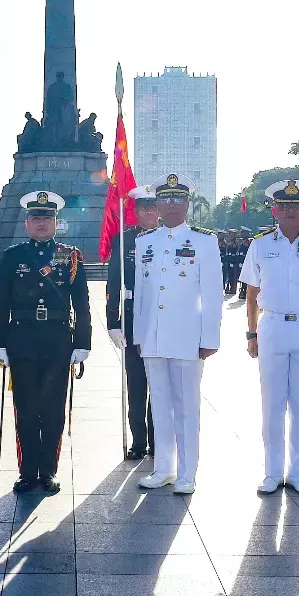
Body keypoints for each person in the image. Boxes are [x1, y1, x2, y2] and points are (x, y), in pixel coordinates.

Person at [240, 179, 299, 496]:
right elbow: (252, 293)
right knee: (272, 402)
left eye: (296, 206)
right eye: (284, 207)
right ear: (274, 211)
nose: (290, 211)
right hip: (272, 326)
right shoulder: (261, 244)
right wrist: (252, 333)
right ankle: (271, 472)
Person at [0, 191, 90, 494]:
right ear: (26, 223)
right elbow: (2, 303)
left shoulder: (68, 255)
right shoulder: (13, 256)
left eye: (47, 218)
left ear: (56, 222)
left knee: (52, 408)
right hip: (21, 337)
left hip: (57, 338)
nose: (41, 223)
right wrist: (0, 343)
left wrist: (82, 342)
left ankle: (47, 471)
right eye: (36, 217)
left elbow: (82, 303)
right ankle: (27, 471)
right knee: (24, 407)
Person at [133, 173, 223, 494]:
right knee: (159, 404)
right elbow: (142, 293)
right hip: (153, 337)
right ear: (156, 204)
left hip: (188, 337)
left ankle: (187, 473)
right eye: (166, 199)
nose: (172, 205)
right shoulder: (145, 241)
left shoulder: (204, 241)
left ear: (187, 204)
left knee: (186, 407)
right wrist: (139, 334)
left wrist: (209, 338)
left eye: (178, 199)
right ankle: (163, 468)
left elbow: (213, 294)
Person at [107, 185, 159, 460]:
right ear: (135, 211)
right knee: (136, 384)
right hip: (131, 315)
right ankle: (138, 441)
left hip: (162, 318)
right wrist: (112, 321)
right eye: (143, 208)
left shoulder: (169, 239)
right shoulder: (124, 239)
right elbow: (114, 280)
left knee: (159, 384)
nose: (149, 212)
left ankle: (157, 440)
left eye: (153, 207)